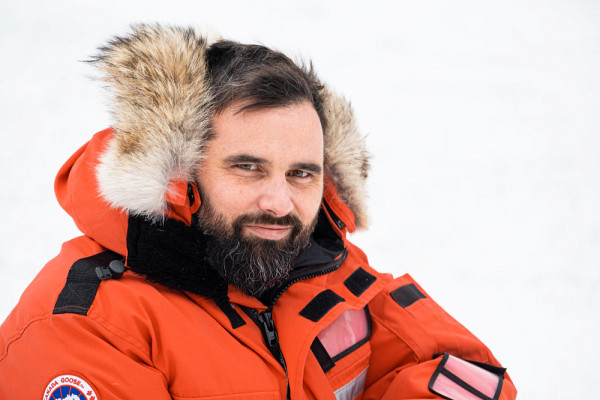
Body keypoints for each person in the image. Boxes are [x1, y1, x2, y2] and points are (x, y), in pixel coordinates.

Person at [0, 24, 516, 400]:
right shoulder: (85, 326)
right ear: (180, 173)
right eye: (247, 167)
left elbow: (469, 377)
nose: (279, 203)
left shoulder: (327, 271)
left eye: (301, 173)